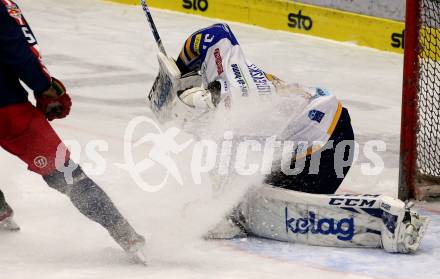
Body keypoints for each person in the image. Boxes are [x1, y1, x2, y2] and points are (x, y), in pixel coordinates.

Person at [148, 23, 429, 253]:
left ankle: (387, 220)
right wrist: (181, 66)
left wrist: (217, 215)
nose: (190, 129)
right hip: (323, 118)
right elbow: (215, 34)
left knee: (248, 202)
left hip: (327, 149)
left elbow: (229, 192)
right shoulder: (222, 66)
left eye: (187, 121)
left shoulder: (237, 121)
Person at [0, 0, 146, 263]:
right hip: (8, 110)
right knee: (67, 174)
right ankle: (124, 233)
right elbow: (18, 51)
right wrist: (46, 88)